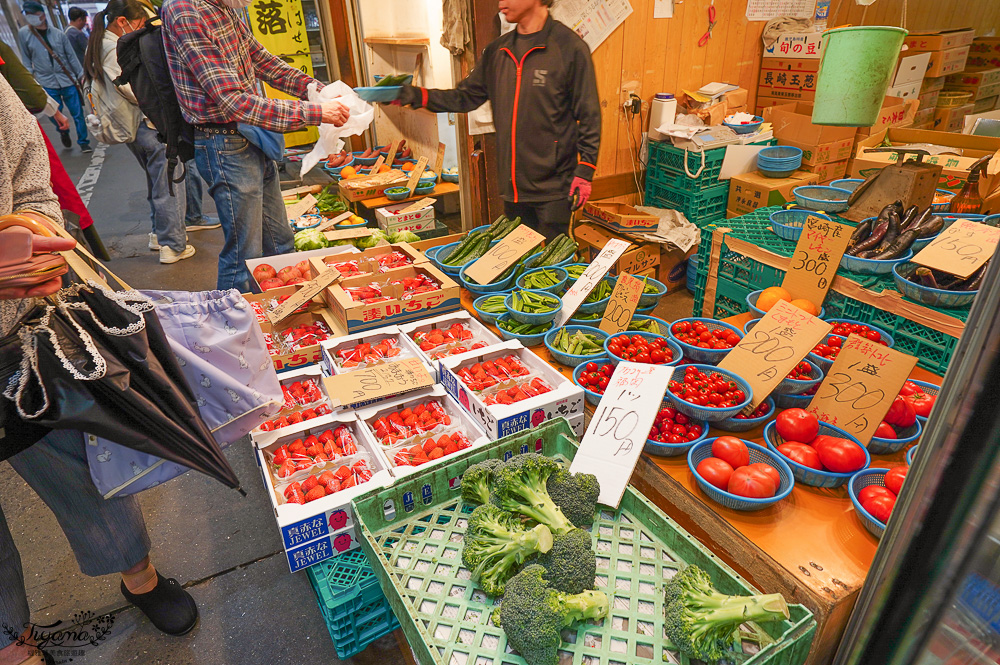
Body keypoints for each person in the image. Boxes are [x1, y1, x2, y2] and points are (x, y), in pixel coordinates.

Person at [0, 72, 198, 665]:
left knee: (81, 460)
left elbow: (31, 181)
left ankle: (138, 574)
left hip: (18, 330)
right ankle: (9, 639)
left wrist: (30, 239)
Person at [161, 0, 350, 291]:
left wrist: (317, 91)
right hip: (223, 143)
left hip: (252, 135)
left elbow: (263, 61)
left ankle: (285, 311)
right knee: (244, 256)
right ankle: (231, 319)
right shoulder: (185, 10)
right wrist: (315, 112)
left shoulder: (222, 6)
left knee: (281, 243)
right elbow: (232, 100)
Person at [395, 0, 600, 240]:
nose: (501, 1)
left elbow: (589, 115)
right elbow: (464, 97)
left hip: (554, 189)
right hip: (512, 189)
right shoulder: (498, 51)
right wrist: (415, 95)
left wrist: (586, 170)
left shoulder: (569, 48)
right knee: (516, 257)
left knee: (553, 261)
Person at [84, 0, 195, 264]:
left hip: (131, 126)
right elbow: (130, 87)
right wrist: (157, 101)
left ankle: (159, 235)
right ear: (122, 21)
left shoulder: (98, 44)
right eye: (139, 24)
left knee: (157, 180)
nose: (142, 30)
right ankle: (173, 245)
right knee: (169, 180)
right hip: (143, 123)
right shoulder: (113, 46)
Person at [17, 1, 92, 153]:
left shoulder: (59, 34)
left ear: (42, 15)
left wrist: (80, 76)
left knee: (78, 113)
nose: (31, 17)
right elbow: (26, 60)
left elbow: (71, 57)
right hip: (46, 81)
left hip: (67, 79)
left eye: (33, 14)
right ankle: (63, 131)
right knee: (53, 113)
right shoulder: (24, 34)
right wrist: (29, 81)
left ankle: (83, 142)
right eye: (28, 14)